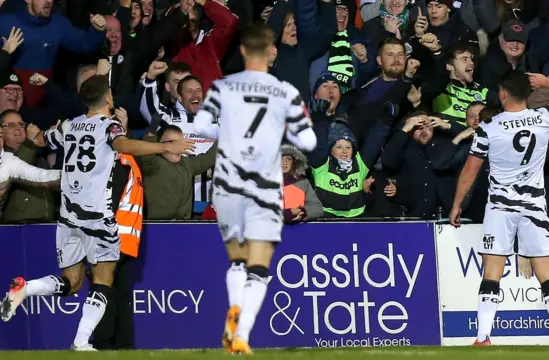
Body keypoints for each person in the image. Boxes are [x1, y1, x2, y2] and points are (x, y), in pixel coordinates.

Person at [0, 75, 195, 351]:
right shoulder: (110, 126)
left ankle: (25, 288)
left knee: (71, 282)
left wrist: (38, 134)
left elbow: (42, 139)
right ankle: (80, 342)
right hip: (97, 217)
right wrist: (164, 146)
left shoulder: (69, 125)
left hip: (67, 217)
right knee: (103, 280)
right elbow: (124, 145)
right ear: (108, 99)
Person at [193, 24, 317, 354]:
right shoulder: (286, 92)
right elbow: (308, 141)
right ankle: (242, 333)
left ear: (244, 51)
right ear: (272, 52)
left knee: (237, 260)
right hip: (264, 187)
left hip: (229, 183)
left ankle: (233, 312)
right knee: (259, 267)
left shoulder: (223, 87)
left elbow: (200, 126)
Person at [449, 70, 549, 346]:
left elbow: (470, 171)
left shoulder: (489, 127)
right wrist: (547, 82)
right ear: (529, 92)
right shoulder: (545, 116)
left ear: (502, 93)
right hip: (534, 206)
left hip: (501, 207)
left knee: (492, 272)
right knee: (547, 272)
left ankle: (483, 337)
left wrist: (456, 204)